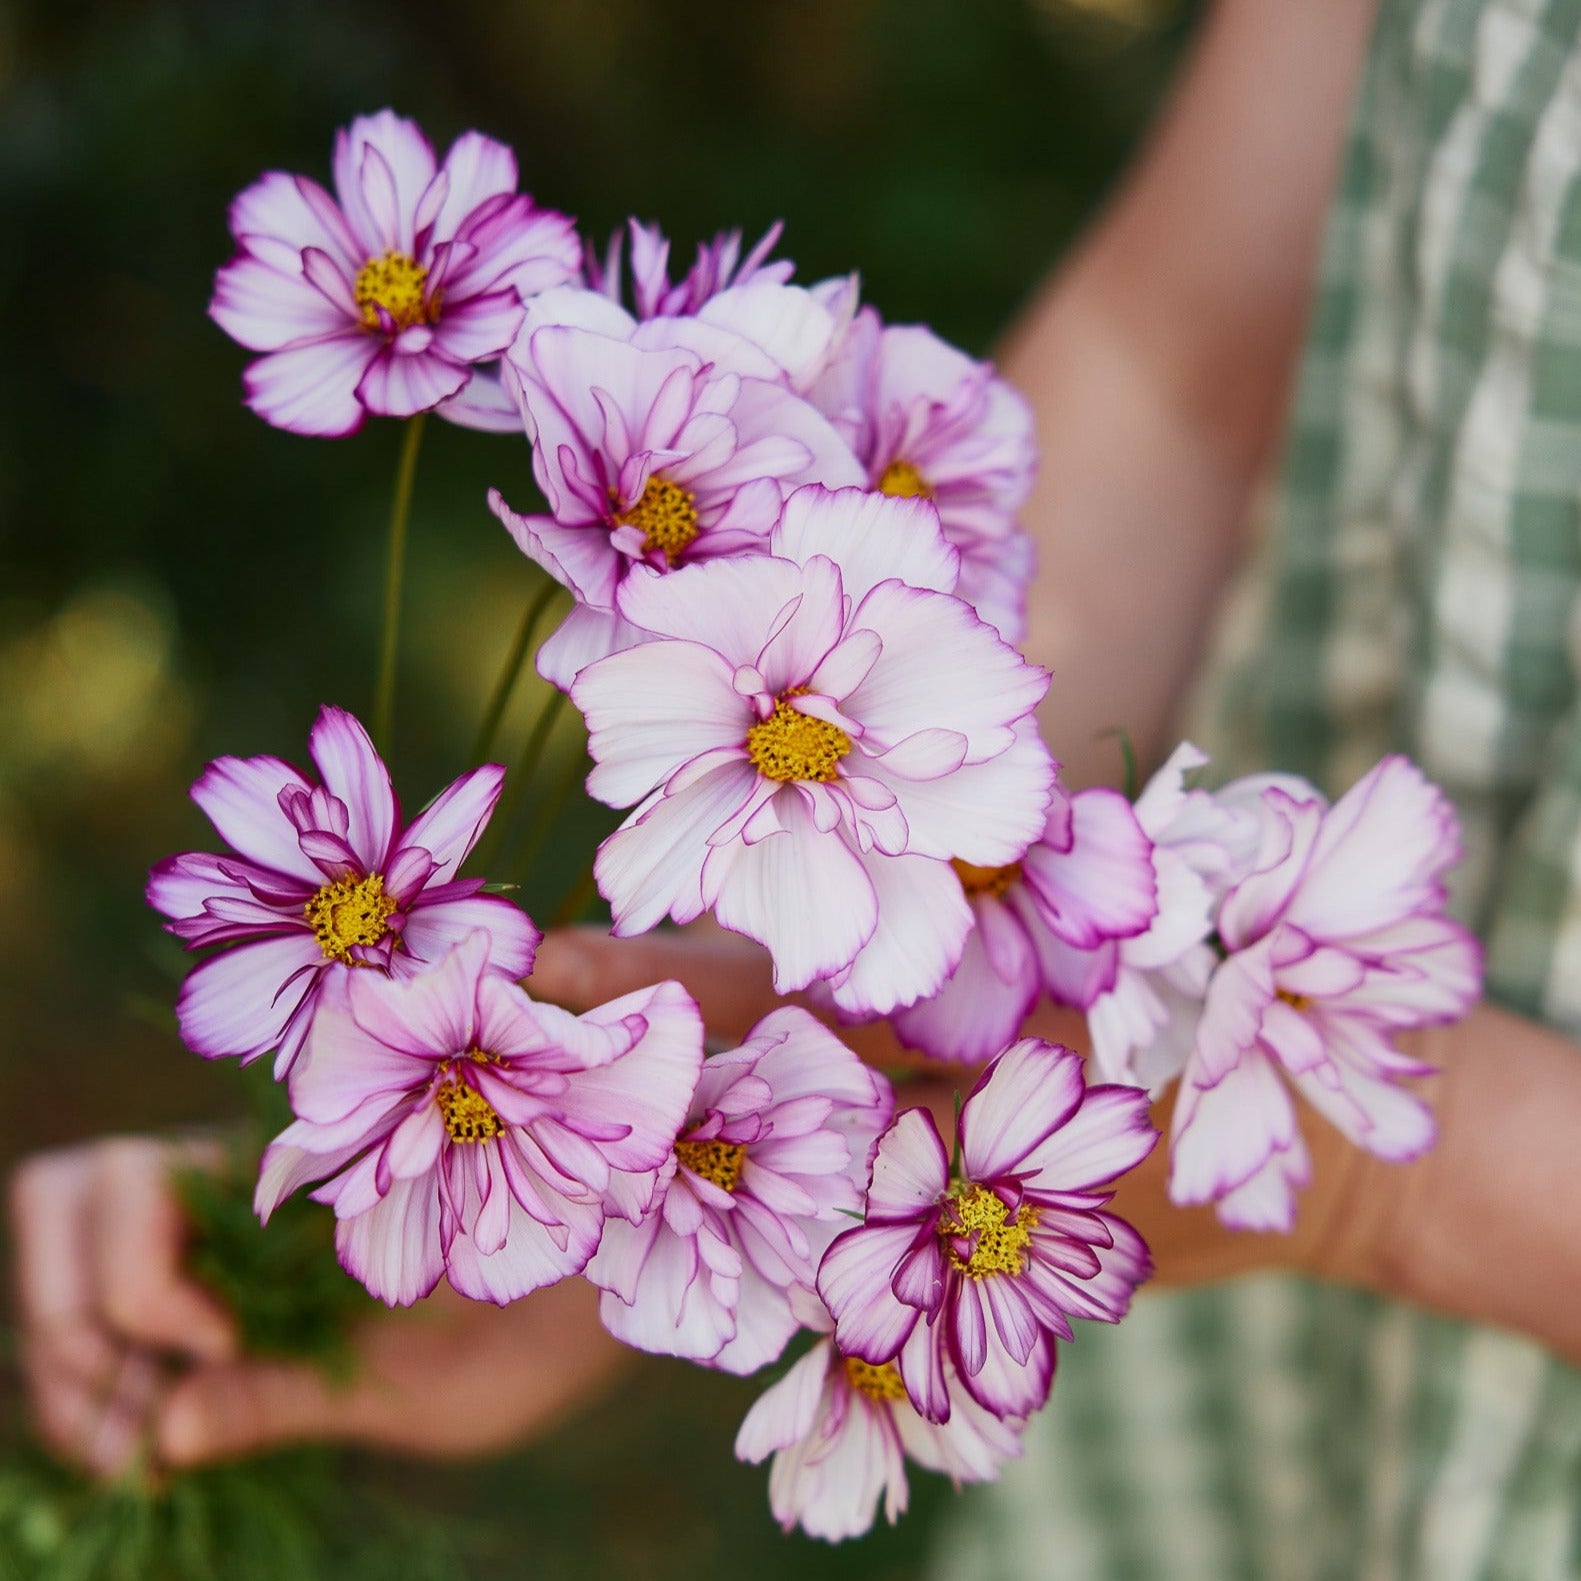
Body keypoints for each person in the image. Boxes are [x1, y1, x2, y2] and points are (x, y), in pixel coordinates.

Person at [16, 0, 1581, 1571]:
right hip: (1212, 1141)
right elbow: (1166, 373)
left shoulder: (1098, 1160)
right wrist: (640, 1102)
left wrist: (1385, 1202)